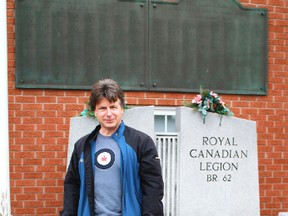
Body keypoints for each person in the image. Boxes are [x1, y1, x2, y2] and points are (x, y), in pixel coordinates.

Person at [61, 79, 164, 216]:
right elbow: (72, 185)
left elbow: (153, 188)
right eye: (102, 108)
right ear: (95, 112)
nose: (109, 114)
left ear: (122, 108)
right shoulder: (83, 145)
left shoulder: (141, 142)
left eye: (113, 107)